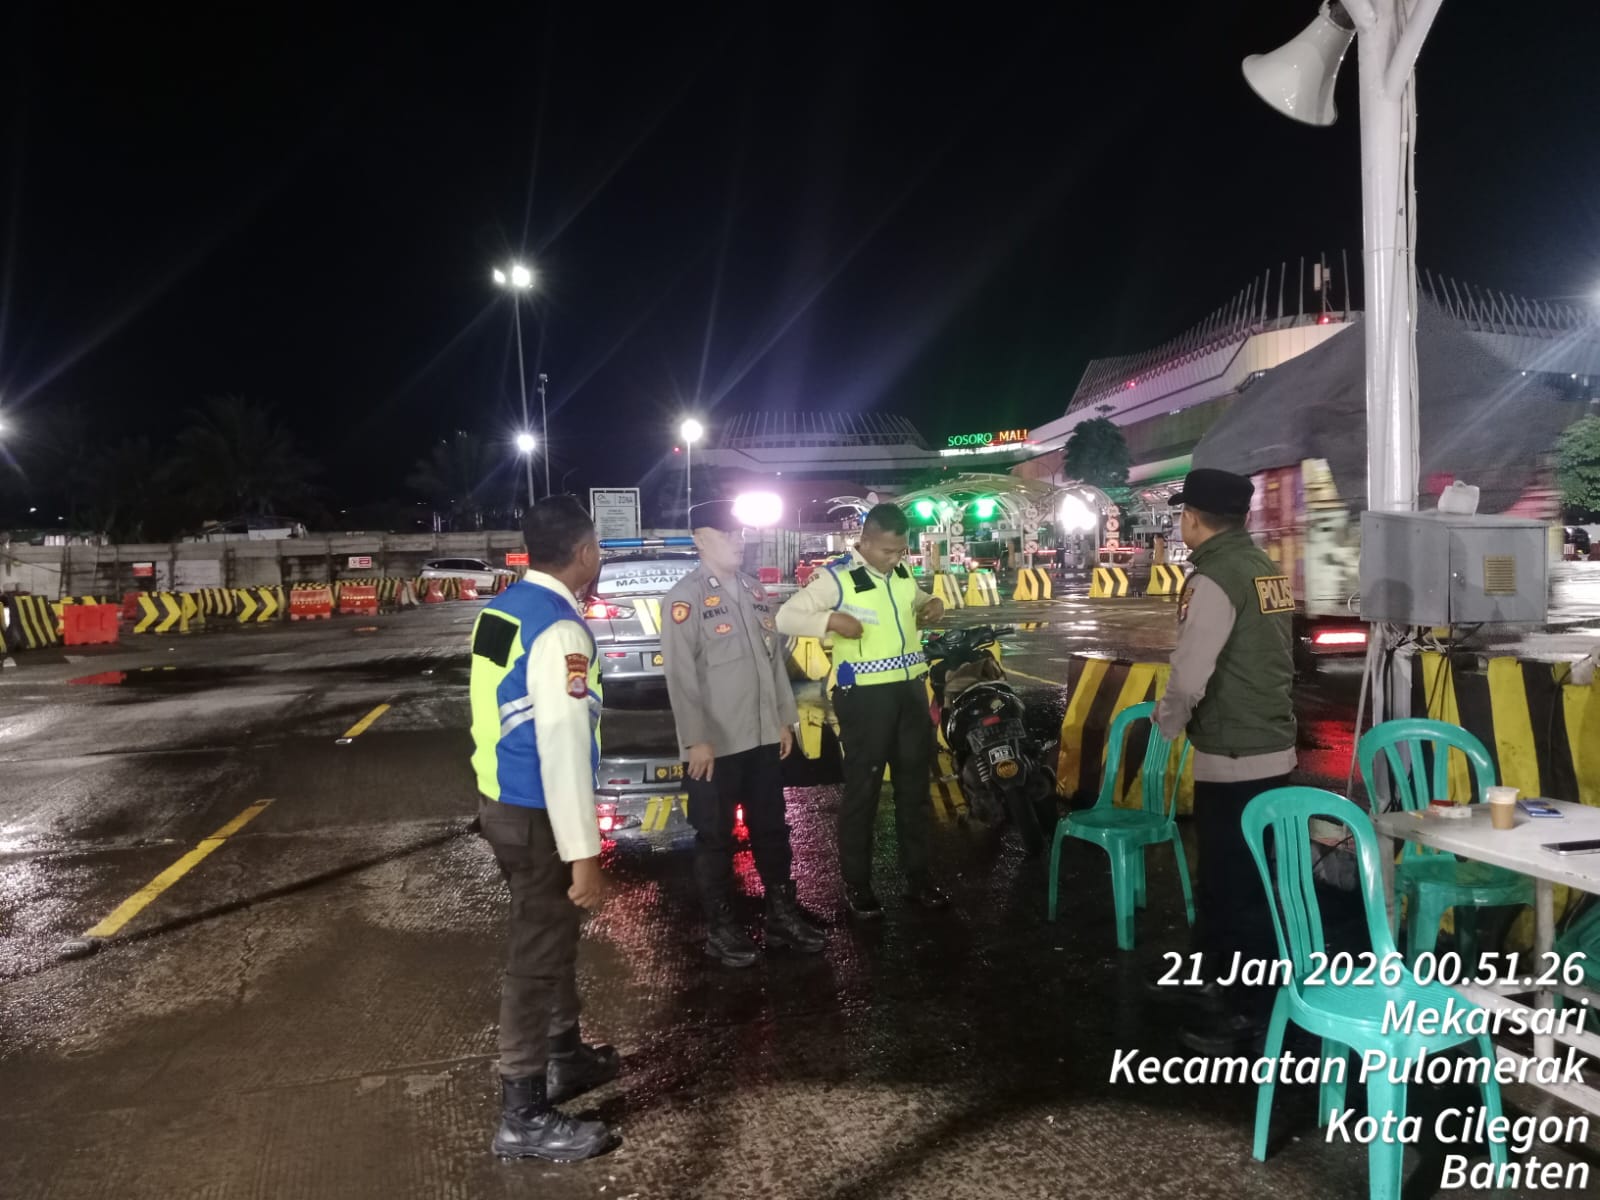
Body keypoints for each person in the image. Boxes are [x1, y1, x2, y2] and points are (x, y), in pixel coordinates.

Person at [468, 496, 620, 1162]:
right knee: (535, 960)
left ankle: (565, 1056)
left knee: (553, 936)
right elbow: (561, 745)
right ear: (584, 553)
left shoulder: (503, 610)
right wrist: (584, 853)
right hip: (537, 813)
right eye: (597, 547)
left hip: (501, 801)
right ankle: (522, 1113)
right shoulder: (561, 631)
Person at [1150, 468, 1296, 1054]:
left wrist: (1168, 724)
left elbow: (1190, 672)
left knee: (1237, 887)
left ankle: (1248, 1012)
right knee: (1236, 878)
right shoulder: (1264, 568)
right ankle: (1211, 979)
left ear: (1192, 518)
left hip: (1235, 753)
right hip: (1270, 745)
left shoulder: (1213, 578)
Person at [659, 499, 826, 966]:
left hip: (762, 737)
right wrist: (695, 739)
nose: (738, 540)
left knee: (772, 828)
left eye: (740, 533)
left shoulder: (755, 591)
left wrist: (783, 719)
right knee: (715, 837)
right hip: (715, 745)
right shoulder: (684, 599)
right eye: (726, 533)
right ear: (700, 539)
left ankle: (781, 917)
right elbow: (681, 677)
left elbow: (772, 665)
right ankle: (721, 928)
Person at [775, 502, 949, 918]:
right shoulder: (836, 577)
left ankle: (918, 878)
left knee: (914, 791)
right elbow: (785, 617)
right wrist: (831, 621)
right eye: (887, 551)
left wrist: (932, 602)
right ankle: (857, 884)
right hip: (865, 699)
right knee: (863, 791)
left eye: (901, 550)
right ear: (864, 541)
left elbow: (914, 598)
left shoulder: (901, 572)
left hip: (910, 692)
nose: (895, 558)